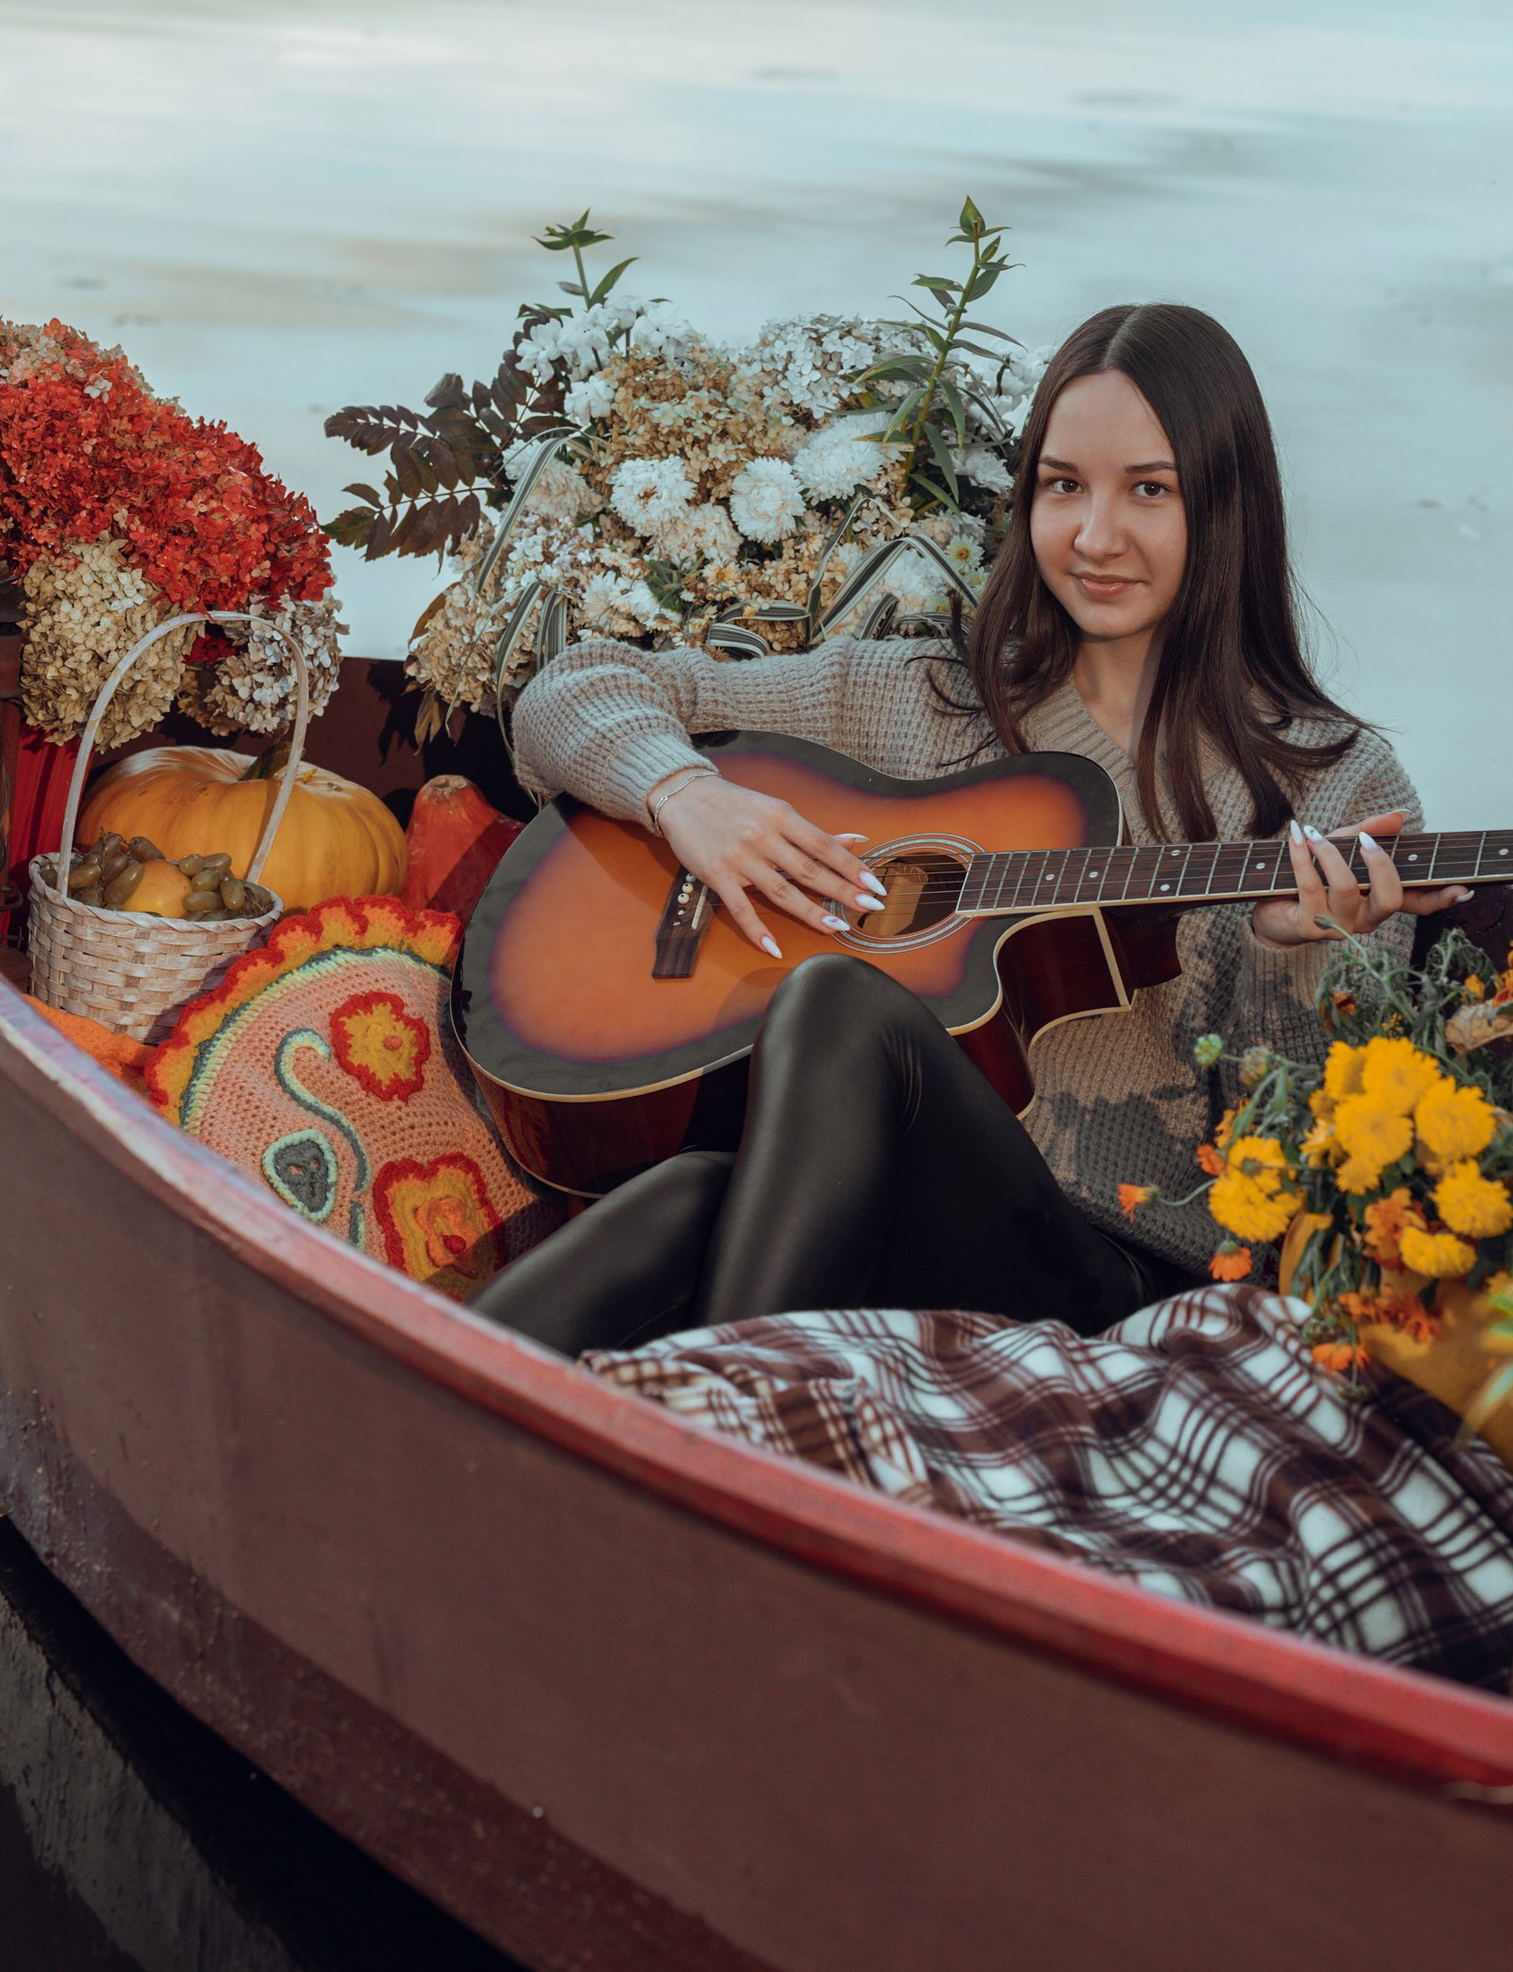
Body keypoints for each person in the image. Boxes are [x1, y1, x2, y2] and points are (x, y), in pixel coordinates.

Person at [476, 300, 1463, 1358]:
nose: (1093, 536)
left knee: (838, 1003)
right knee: (684, 1195)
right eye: (1062, 486)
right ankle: (404, 1414)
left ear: (1225, 504)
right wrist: (686, 794)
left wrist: (1289, 958)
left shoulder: (1333, 783)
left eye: (1149, 490)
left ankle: (711, 1437)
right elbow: (571, 688)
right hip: (890, 1218)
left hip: (1116, 1277)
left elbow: (1317, 1190)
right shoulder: (928, 696)